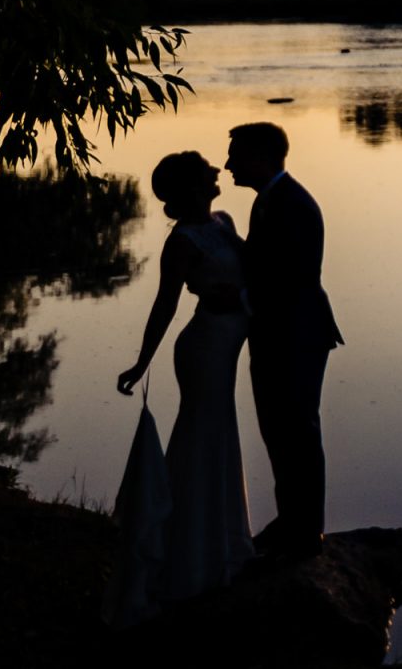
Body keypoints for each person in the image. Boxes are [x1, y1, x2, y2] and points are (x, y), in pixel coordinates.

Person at [115, 151, 255, 612]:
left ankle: (219, 549)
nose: (217, 172)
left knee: (218, 441)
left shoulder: (224, 222)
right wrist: (140, 364)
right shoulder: (182, 242)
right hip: (203, 349)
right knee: (200, 440)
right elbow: (165, 306)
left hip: (226, 346)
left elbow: (255, 272)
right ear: (193, 186)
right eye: (206, 171)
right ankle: (187, 560)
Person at [224, 121, 345, 559]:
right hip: (280, 334)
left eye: (235, 155)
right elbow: (264, 262)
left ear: (260, 155)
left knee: (297, 430)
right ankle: (292, 520)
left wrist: (236, 296)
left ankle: (306, 529)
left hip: (296, 335)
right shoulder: (270, 201)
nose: (228, 164)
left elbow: (286, 279)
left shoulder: (290, 204)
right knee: (280, 430)